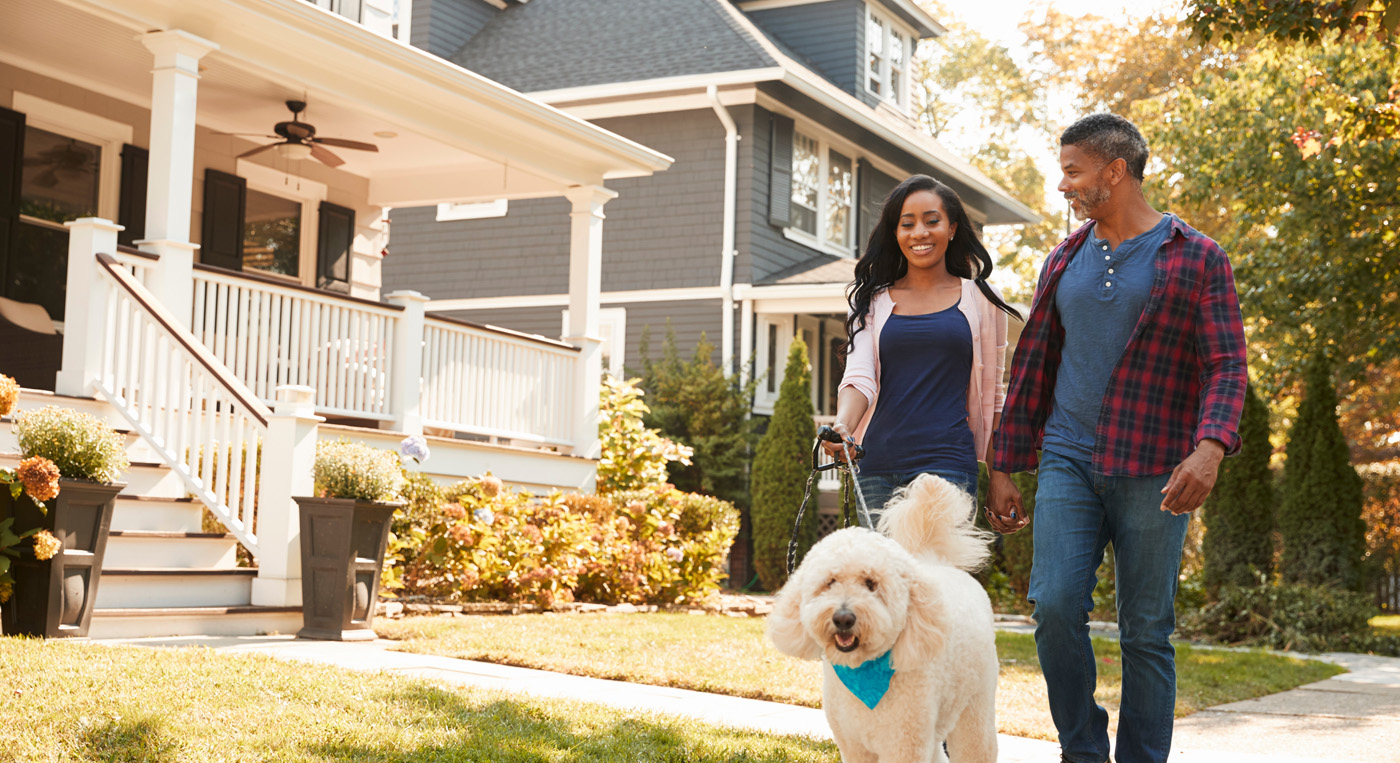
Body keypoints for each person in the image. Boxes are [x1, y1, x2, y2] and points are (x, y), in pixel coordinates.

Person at [987, 113, 1247, 763]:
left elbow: (1225, 363)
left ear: (1115, 170)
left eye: (1072, 170)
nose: (1063, 185)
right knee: (1053, 606)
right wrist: (1004, 463)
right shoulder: (1065, 257)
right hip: (1069, 458)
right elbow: (1034, 365)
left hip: (1155, 465)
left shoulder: (1197, 256)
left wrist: (1210, 448)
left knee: (1146, 631)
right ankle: (1082, 749)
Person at [825, 174, 1023, 523]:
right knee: (884, 577)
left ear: (951, 228)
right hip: (877, 468)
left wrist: (1000, 476)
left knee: (938, 576)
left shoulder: (983, 301)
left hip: (948, 468)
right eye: (907, 224)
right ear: (895, 233)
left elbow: (994, 397)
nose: (919, 232)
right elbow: (858, 376)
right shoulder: (870, 301)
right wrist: (842, 425)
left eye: (932, 221)